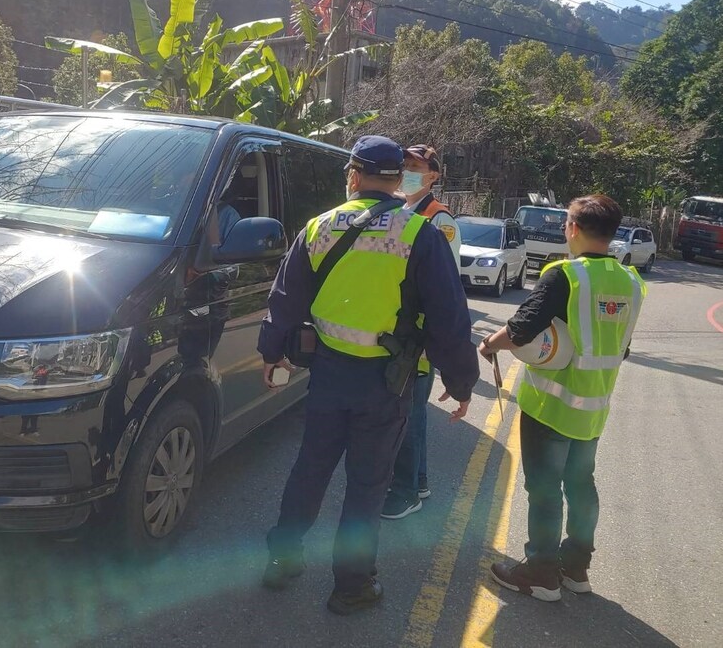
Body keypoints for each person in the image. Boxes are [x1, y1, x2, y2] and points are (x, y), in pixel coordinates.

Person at [257, 136, 479, 616]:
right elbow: (449, 317)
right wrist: (460, 383)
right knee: (366, 486)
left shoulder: (318, 227)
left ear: (353, 175)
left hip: (329, 374)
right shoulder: (419, 234)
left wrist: (271, 353)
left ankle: (282, 557)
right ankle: (351, 587)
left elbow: (285, 298)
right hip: (387, 382)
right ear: (399, 179)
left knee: (309, 471)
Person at [478, 194, 646, 601]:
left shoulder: (564, 275)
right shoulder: (633, 282)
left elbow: (522, 328)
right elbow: (620, 347)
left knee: (546, 489)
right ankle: (575, 568)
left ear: (572, 227)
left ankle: (539, 572)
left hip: (550, 407)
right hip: (593, 409)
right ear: (613, 232)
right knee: (581, 486)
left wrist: (490, 345)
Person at [382, 144, 462, 520]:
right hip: (403, 334)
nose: (409, 172)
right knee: (413, 412)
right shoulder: (403, 211)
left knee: (408, 414)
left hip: (419, 340)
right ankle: (421, 481)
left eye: (417, 167)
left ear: (434, 176)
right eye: (405, 166)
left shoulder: (439, 220)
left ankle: (405, 492)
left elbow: (442, 291)